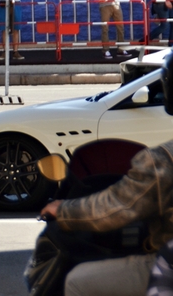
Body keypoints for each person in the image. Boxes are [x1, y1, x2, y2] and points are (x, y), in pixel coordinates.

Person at [39, 53, 173, 296]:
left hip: (169, 267)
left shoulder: (162, 160)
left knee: (77, 281)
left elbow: (116, 208)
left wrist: (62, 209)